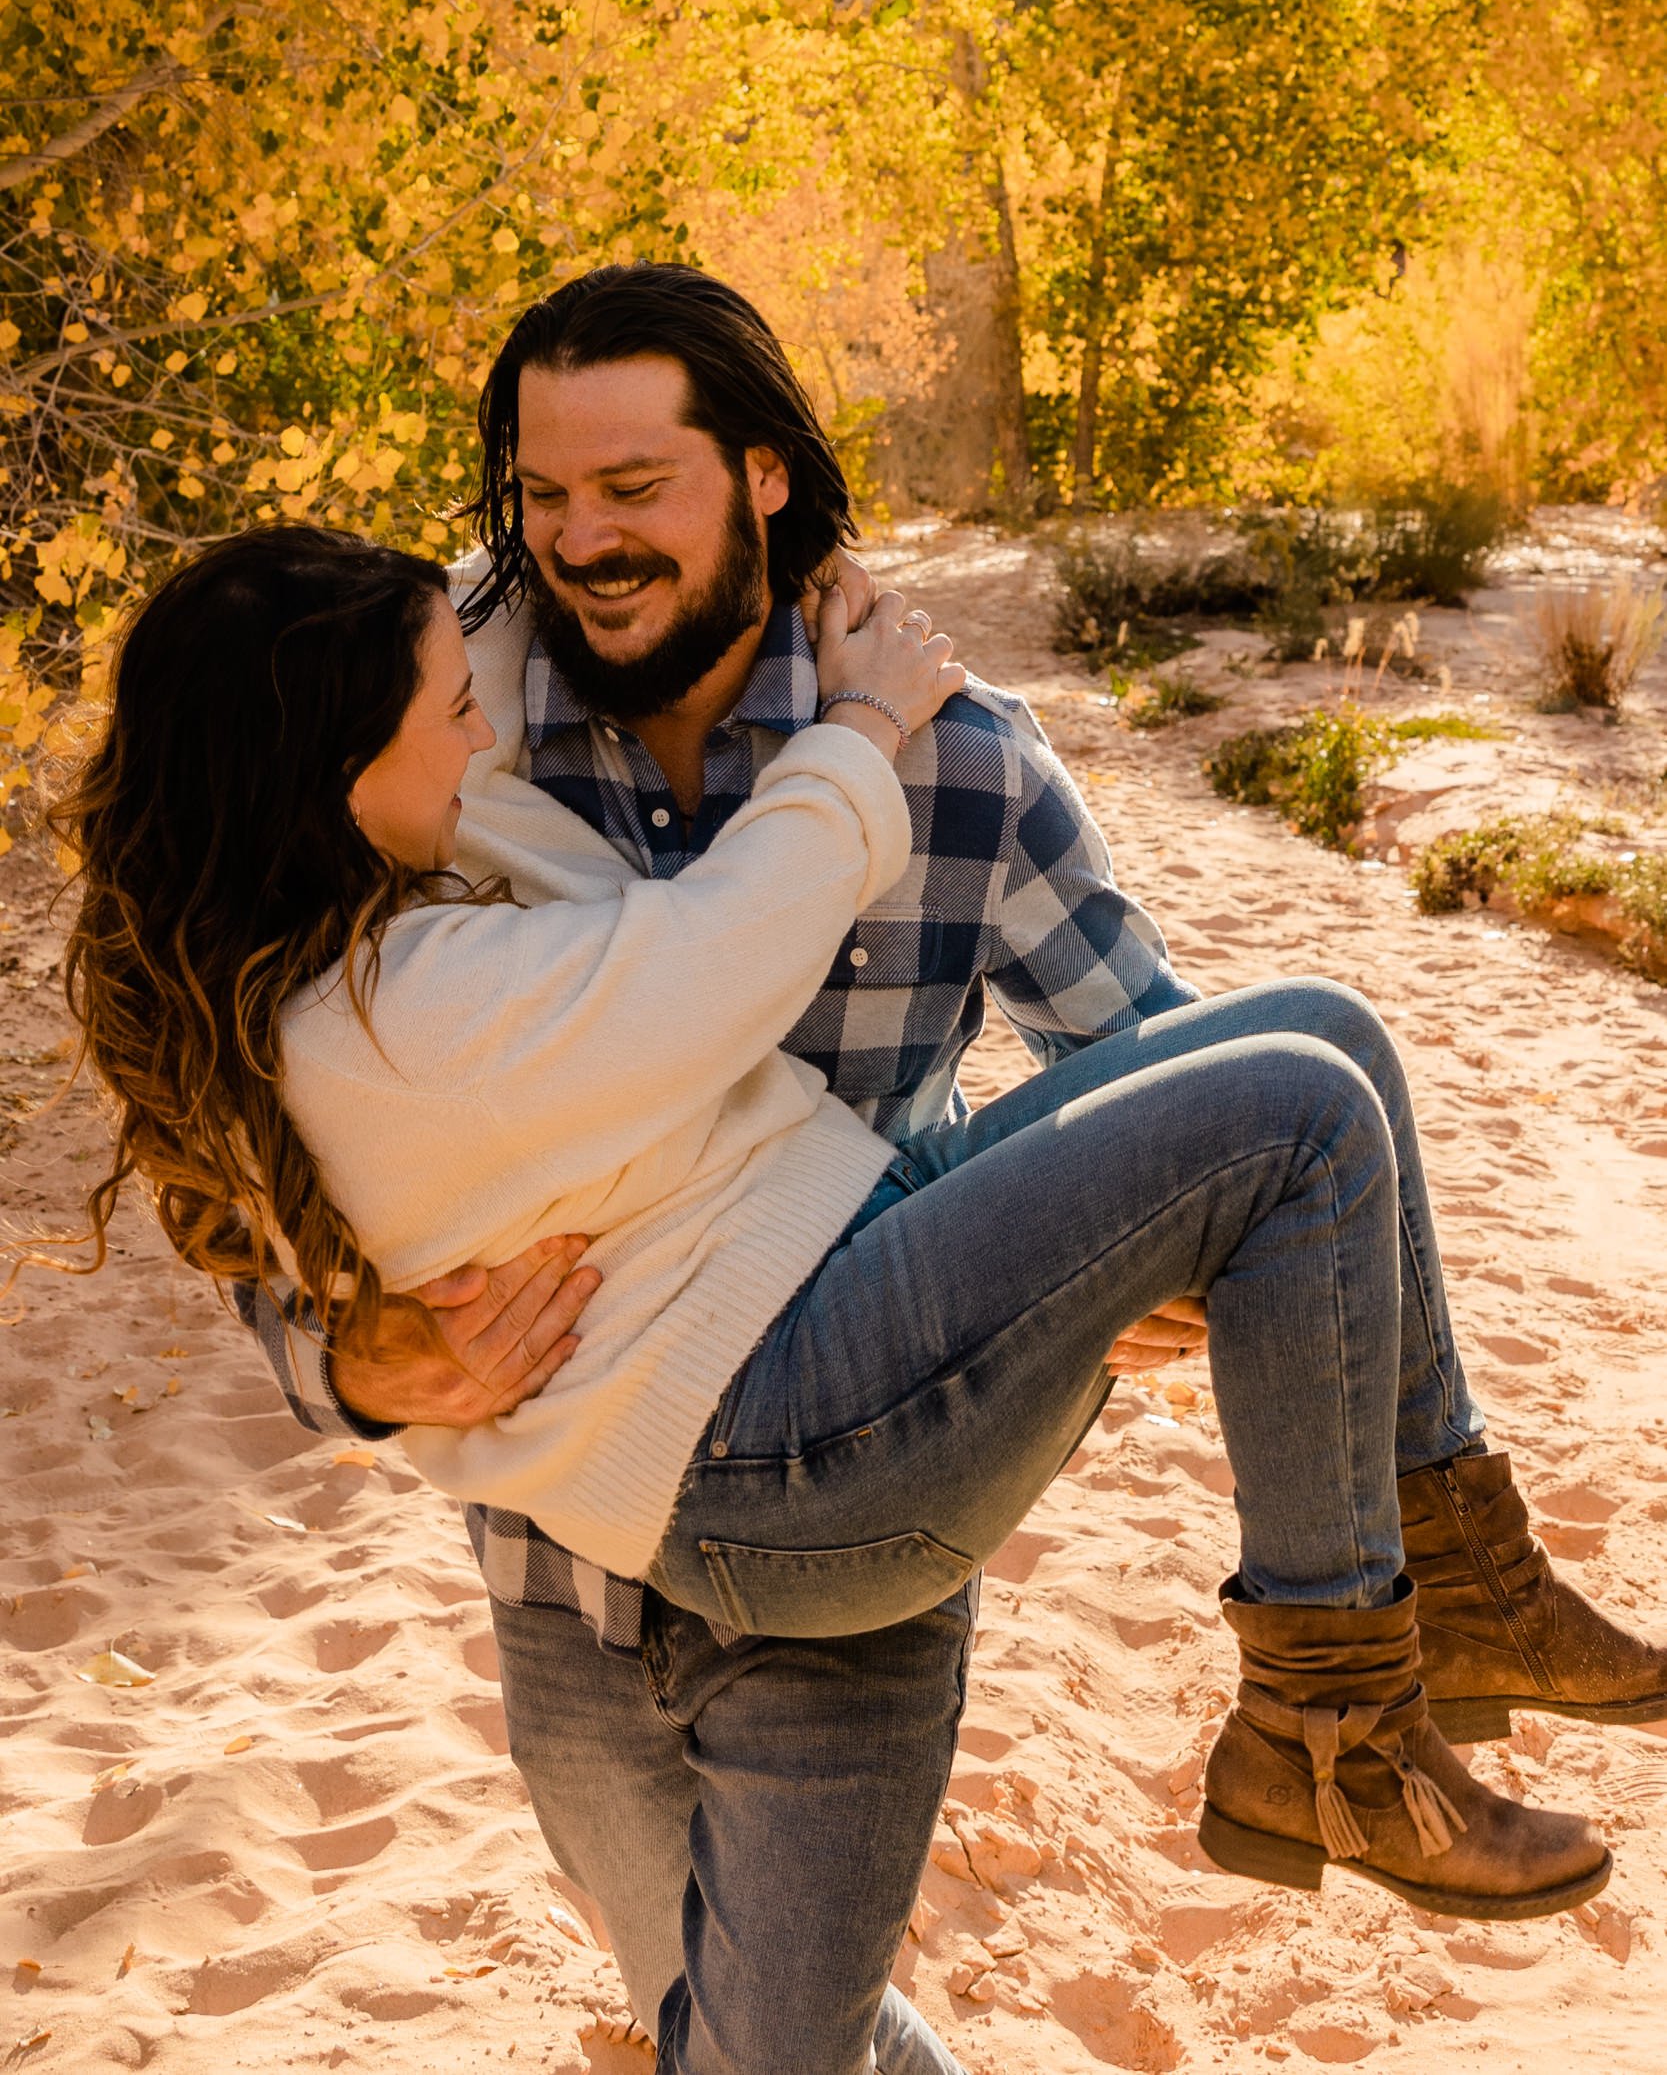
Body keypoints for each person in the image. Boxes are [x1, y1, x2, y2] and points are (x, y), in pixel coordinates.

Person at [60, 501, 1667, 2050]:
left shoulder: (368, 873)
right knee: (1296, 1118)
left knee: (1326, 1034)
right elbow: (720, 958)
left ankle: (1461, 1583)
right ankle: (1335, 1733)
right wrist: (864, 718)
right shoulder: (401, 1009)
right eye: (441, 712)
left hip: (843, 1270)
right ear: (329, 770)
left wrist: (1175, 1234)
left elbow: (457, 667)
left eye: (623, 489)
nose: (482, 734)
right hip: (775, 1441)